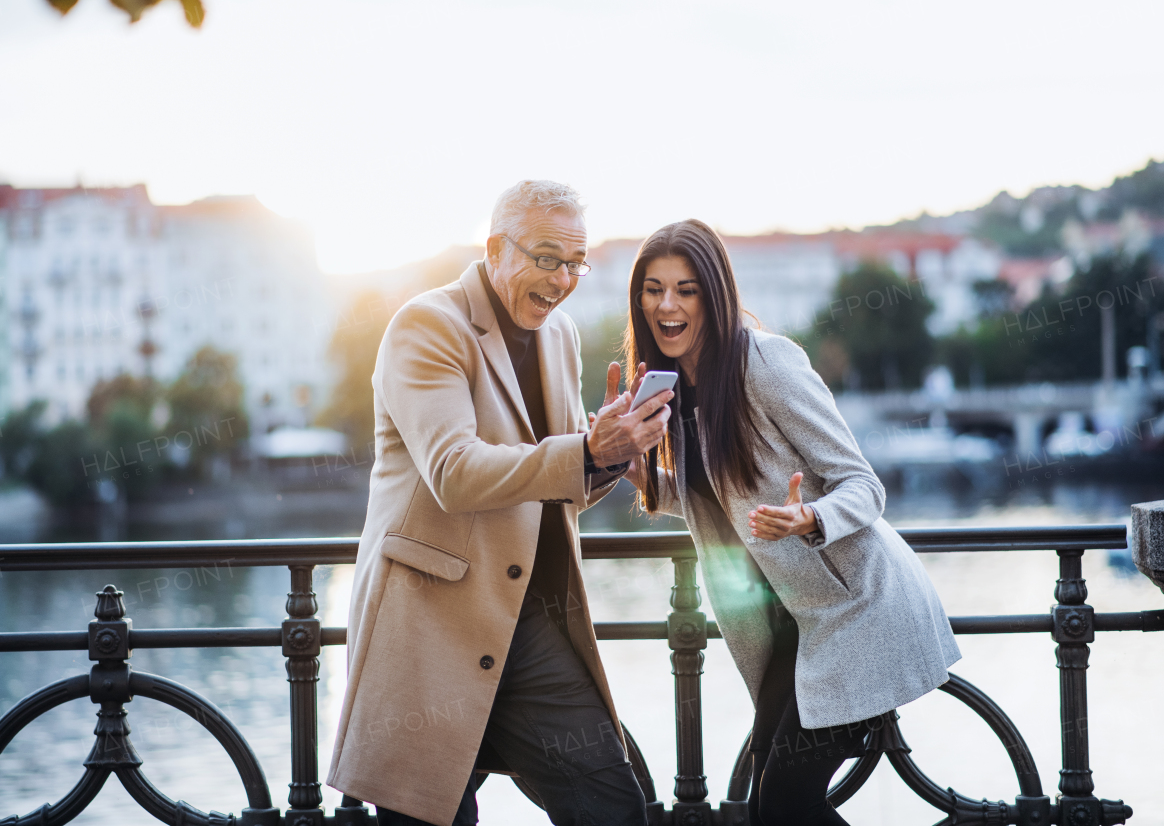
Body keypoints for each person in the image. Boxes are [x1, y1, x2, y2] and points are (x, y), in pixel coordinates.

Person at [327, 180, 672, 826]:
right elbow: (454, 473)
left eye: (575, 263)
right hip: (431, 627)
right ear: (495, 248)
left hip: (531, 626)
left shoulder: (560, 334)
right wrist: (586, 450)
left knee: (614, 807)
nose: (563, 278)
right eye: (547, 258)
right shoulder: (426, 324)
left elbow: (553, 480)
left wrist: (610, 454)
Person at [623, 219, 961, 826]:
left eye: (686, 289)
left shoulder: (766, 363)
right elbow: (720, 499)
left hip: (855, 615)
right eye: (653, 288)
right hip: (793, 630)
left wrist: (810, 517)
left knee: (781, 805)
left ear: (716, 294)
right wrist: (640, 474)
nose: (666, 305)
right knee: (774, 806)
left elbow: (864, 485)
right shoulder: (672, 391)